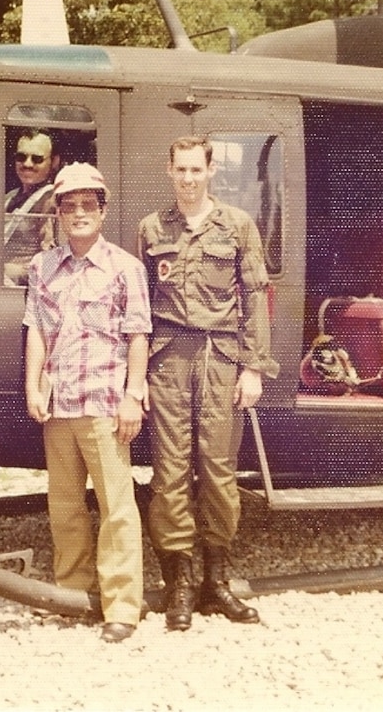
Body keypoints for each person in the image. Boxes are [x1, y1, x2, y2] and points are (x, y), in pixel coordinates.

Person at [136, 136, 279, 630]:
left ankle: (216, 583)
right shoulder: (153, 228)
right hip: (169, 359)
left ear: (210, 171)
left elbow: (256, 298)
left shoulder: (238, 226)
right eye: (181, 170)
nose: (189, 179)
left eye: (197, 170)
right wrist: (138, 376)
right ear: (169, 170)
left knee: (218, 471)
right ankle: (179, 583)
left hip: (221, 359)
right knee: (169, 472)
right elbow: (141, 306)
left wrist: (255, 367)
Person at [23, 162, 151, 643]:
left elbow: (138, 334)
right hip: (60, 406)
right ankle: (71, 592)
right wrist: (33, 386)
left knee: (117, 507)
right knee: (65, 506)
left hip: (104, 404)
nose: (79, 213)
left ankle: (122, 606)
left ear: (103, 208)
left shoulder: (125, 268)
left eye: (88, 204)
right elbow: (37, 329)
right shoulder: (43, 267)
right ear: (57, 212)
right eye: (69, 204)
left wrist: (133, 396)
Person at [0, 129, 62, 285]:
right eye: (21, 157)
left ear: (54, 162)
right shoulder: (10, 198)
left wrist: (1, 270)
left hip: (17, 289)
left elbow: (53, 264)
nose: (27, 164)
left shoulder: (52, 202)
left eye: (37, 159)